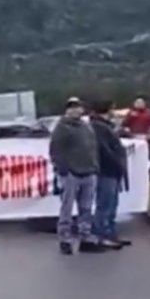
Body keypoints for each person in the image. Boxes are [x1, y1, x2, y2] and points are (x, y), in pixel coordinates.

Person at [49, 97, 104, 255]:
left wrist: (95, 167)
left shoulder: (86, 126)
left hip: (89, 172)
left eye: (77, 107)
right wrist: (64, 170)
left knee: (86, 207)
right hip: (71, 174)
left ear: (82, 109)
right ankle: (65, 239)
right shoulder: (61, 127)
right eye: (71, 107)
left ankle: (85, 237)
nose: (75, 110)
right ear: (66, 110)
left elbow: (93, 147)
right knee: (67, 208)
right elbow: (55, 151)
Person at [88, 100, 130, 249]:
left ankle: (110, 233)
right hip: (106, 170)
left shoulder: (104, 126)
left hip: (111, 170)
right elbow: (105, 150)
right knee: (105, 204)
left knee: (111, 204)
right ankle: (102, 234)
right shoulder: (99, 127)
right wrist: (117, 162)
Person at [122, 96, 150, 182]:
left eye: (140, 102)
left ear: (144, 104)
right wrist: (129, 133)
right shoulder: (130, 114)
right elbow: (124, 125)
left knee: (149, 159)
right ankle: (136, 177)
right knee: (135, 159)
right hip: (134, 139)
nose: (138, 104)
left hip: (148, 140)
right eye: (137, 102)